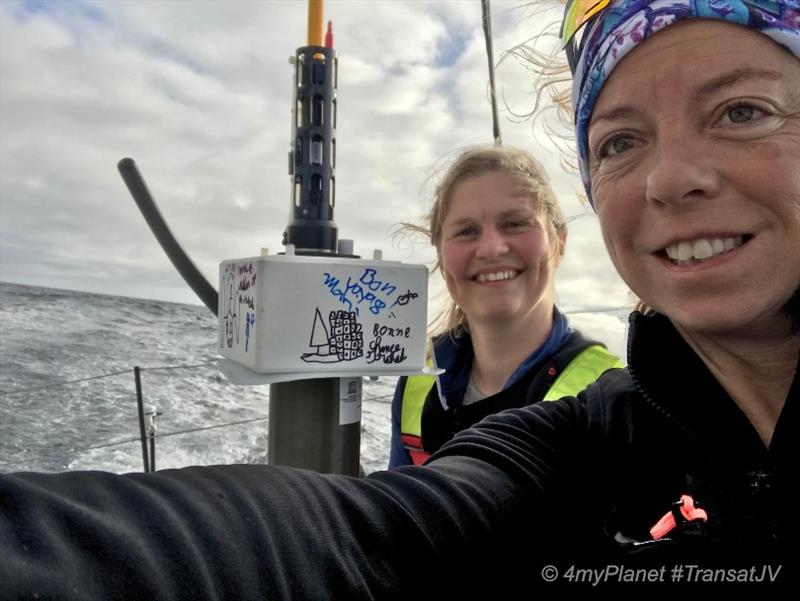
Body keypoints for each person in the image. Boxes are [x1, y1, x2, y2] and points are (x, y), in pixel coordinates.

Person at [1, 1, 798, 596]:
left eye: (743, 111)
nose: (672, 176)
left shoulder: (587, 384)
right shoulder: (570, 427)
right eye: (622, 141)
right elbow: (381, 522)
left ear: (558, 239)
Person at [389, 145, 622, 467]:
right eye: (466, 231)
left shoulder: (611, 396)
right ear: (442, 257)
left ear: (560, 241)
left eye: (514, 223)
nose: (491, 248)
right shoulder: (417, 383)